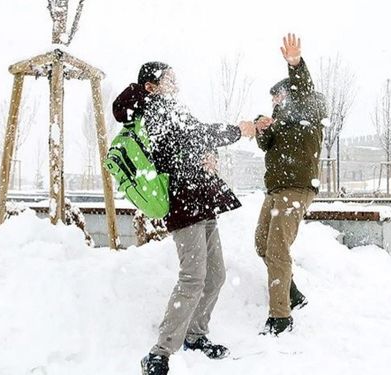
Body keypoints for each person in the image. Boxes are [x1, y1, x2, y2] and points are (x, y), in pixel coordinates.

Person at [113, 62, 256, 375]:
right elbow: (196, 135)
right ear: (151, 86)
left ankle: (195, 335)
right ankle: (159, 353)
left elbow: (194, 141)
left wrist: (210, 156)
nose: (175, 81)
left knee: (215, 275)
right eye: (168, 78)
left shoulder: (171, 107)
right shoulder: (155, 108)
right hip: (183, 201)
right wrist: (238, 131)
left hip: (201, 199)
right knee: (193, 276)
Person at [253, 33, 327, 336]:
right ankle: (292, 292)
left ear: (291, 93)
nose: (275, 102)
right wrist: (261, 126)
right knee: (262, 243)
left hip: (296, 189)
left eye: (278, 96)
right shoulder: (280, 121)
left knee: (277, 249)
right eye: (272, 99)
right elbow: (265, 144)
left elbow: (303, 88)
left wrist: (294, 63)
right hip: (276, 190)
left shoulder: (309, 108)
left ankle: (281, 317)